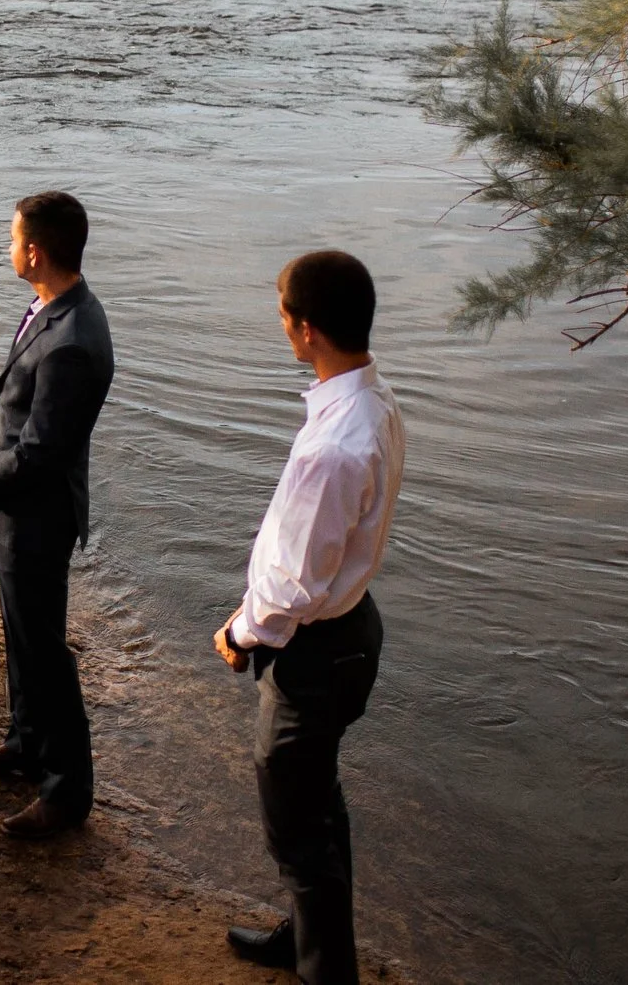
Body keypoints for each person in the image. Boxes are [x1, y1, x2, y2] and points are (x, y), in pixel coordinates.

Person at [214, 250, 406, 985]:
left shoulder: (333, 446)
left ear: (307, 330)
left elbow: (295, 585)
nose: (282, 327)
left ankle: (325, 970)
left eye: (284, 317)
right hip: (351, 630)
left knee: (294, 825)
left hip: (315, 650)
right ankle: (306, 940)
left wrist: (240, 631)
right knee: (318, 800)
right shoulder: (374, 401)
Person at [0, 191, 115, 840]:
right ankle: (25, 745)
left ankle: (67, 792)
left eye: (14, 238)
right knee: (23, 635)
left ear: (36, 252)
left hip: (38, 516)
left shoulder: (73, 339)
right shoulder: (52, 308)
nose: (8, 246)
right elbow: (9, 401)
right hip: (20, 507)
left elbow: (41, 454)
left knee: (44, 650)